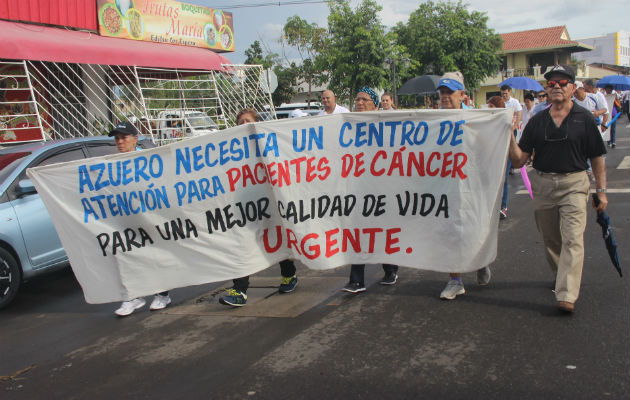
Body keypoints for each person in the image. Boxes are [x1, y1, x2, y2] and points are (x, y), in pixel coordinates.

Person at [508, 64, 608, 313]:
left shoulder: (583, 118)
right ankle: (561, 275)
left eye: (562, 82)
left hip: (574, 184)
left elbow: (597, 157)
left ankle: (566, 293)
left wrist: (601, 191)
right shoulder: (538, 120)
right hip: (542, 184)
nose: (556, 86)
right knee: (551, 240)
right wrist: (509, 136)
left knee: (573, 238)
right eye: (552, 83)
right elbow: (520, 159)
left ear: (573, 88)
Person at [219, 109, 299, 307]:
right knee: (241, 244)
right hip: (244, 206)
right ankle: (240, 290)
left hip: (269, 202)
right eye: (239, 122)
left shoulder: (269, 144)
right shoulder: (230, 149)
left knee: (276, 239)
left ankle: (289, 276)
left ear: (256, 123)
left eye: (247, 121)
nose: (243, 125)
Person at [436, 72, 492, 300]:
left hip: (472, 183)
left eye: (450, 92)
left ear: (462, 94)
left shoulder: (477, 118)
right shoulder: (431, 119)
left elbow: (489, 146)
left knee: (473, 226)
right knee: (451, 232)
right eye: (442, 92)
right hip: (444, 185)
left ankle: (481, 259)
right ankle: (455, 280)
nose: (445, 96)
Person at [112, 122, 171, 316]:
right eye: (117, 138)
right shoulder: (111, 164)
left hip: (150, 217)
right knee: (127, 257)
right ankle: (132, 297)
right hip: (126, 220)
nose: (120, 142)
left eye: (124, 137)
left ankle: (162, 295)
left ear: (135, 139)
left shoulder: (148, 160)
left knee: (155, 256)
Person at [342, 86, 399, 293]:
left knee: (382, 231)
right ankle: (356, 280)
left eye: (364, 100)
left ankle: (390, 268)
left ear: (374, 103)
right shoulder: (348, 126)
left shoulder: (384, 124)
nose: (359, 103)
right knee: (358, 232)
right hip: (358, 189)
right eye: (357, 99)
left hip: (382, 187)